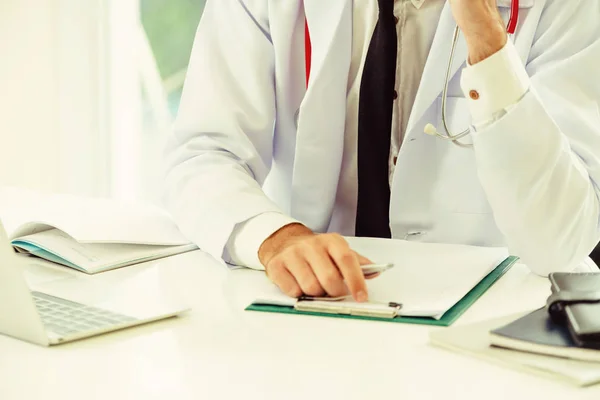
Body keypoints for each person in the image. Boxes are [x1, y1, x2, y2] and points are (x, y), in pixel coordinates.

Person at [164, 0, 600, 302]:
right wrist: (275, 237)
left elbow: (560, 242)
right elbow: (205, 153)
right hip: (318, 310)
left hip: (495, 319)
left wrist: (486, 38)